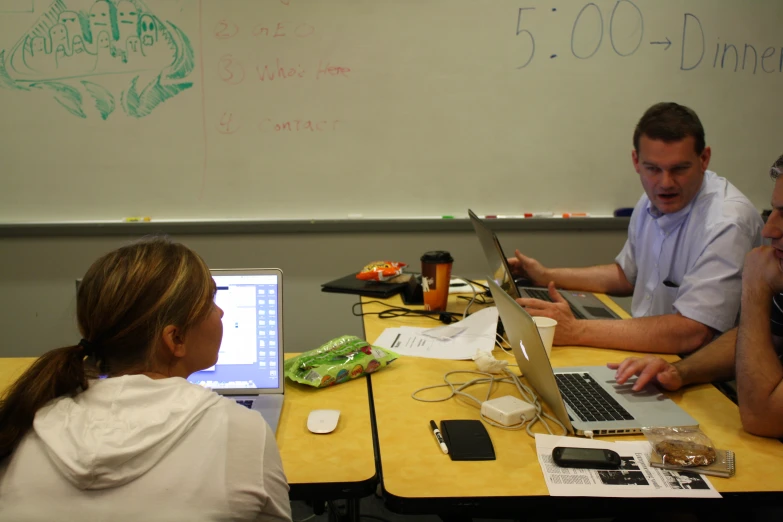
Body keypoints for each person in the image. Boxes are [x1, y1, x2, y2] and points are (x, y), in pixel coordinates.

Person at [0, 237, 292, 521]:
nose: (221, 311)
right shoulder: (242, 432)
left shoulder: (24, 425)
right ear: (175, 339)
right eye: (210, 302)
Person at [510, 102, 763, 354]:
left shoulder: (728, 222)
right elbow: (626, 275)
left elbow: (693, 332)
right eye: (653, 169)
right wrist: (546, 275)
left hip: (700, 373)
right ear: (636, 161)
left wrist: (576, 330)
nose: (665, 183)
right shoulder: (650, 199)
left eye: (679, 169)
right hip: (649, 352)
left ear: (704, 159)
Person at [609, 154, 783, 439]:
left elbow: (761, 417)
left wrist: (755, 285)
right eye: (774, 211)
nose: (769, 229)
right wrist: (679, 372)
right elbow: (763, 335)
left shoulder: (728, 220)